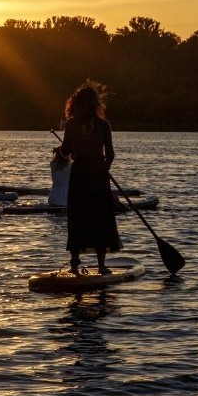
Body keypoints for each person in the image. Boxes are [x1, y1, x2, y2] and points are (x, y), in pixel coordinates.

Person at [57, 80, 122, 275]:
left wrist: (61, 151)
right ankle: (101, 266)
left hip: (80, 175)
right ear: (95, 104)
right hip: (97, 175)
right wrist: (104, 168)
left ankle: (74, 265)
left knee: (78, 216)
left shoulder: (72, 125)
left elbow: (65, 151)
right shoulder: (103, 125)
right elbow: (110, 155)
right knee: (100, 217)